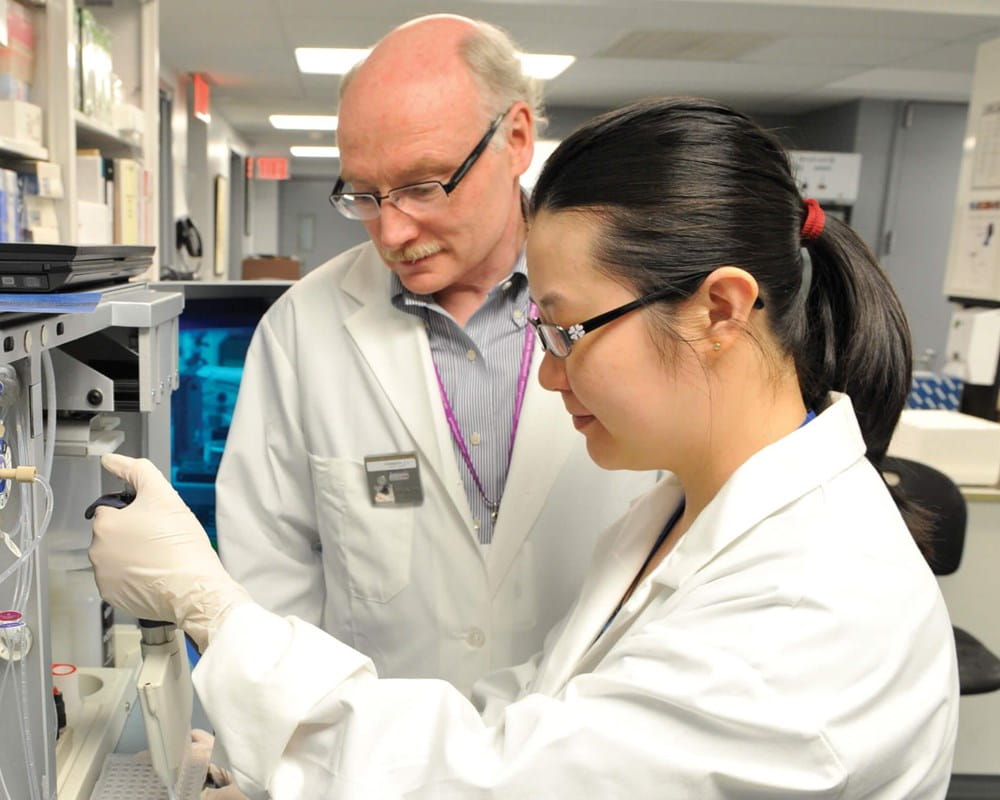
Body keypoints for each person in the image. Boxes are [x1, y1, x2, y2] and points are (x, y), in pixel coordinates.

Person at [90, 97, 959, 799]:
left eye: (570, 330)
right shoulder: (674, 516)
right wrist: (293, 753)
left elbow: (503, 782)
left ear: (720, 311)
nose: (549, 375)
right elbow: (526, 718)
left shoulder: (816, 606)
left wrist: (211, 609)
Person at [212, 14, 657, 696]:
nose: (391, 230)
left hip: (586, 755)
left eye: (423, 186)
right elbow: (270, 579)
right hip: (369, 770)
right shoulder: (301, 331)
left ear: (514, 140)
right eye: (362, 194)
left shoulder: (636, 306)